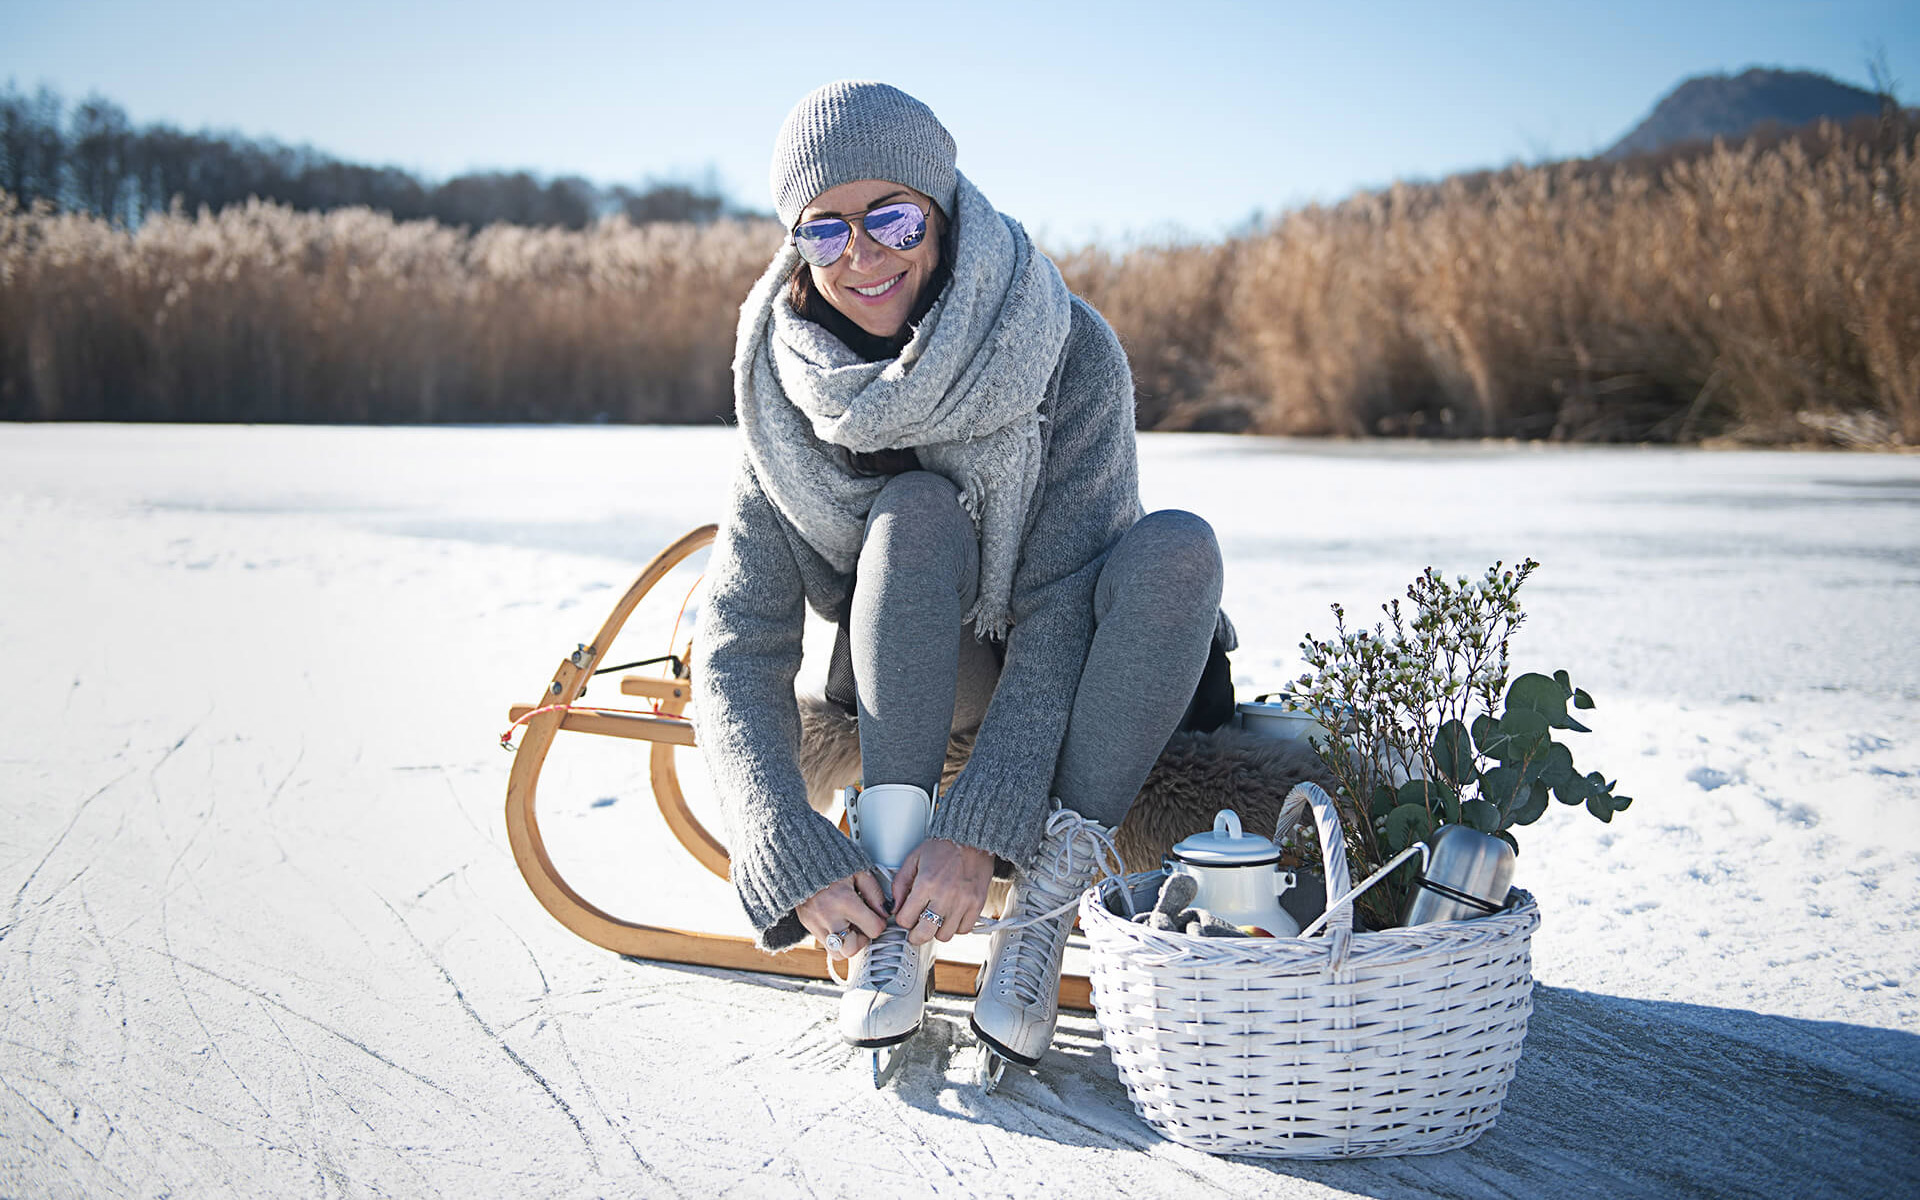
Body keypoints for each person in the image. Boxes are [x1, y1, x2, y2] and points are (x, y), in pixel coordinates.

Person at [696, 80, 1231, 1073]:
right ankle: (890, 914)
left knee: (1179, 548)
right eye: (824, 230)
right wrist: (780, 839)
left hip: (1075, 672)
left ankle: (1040, 918)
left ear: (942, 214)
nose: (861, 255)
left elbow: (1066, 602)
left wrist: (984, 829)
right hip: (911, 666)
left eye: (891, 216)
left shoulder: (1060, 345)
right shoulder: (782, 387)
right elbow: (733, 644)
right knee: (917, 512)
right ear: (796, 244)